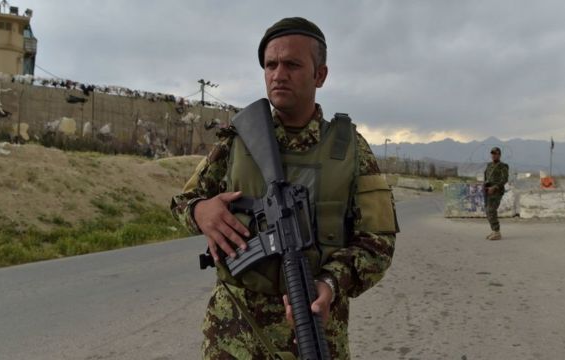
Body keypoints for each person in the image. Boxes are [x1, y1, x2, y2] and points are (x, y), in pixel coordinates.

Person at [171, 17, 399, 359]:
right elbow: (183, 201)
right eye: (270, 65)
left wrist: (331, 282)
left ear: (320, 75)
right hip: (234, 330)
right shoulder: (240, 140)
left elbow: (378, 243)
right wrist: (200, 211)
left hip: (315, 328)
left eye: (292, 64)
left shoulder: (350, 148)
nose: (279, 74)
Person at [483, 147, 509, 240]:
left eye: (496, 153)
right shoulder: (489, 165)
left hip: (497, 191)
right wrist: (485, 186)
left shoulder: (503, 166)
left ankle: (497, 232)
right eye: (492, 153)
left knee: (492, 210)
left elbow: (504, 179)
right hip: (488, 190)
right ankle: (494, 231)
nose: (494, 155)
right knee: (487, 211)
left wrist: (495, 187)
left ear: (499, 155)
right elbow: (486, 177)